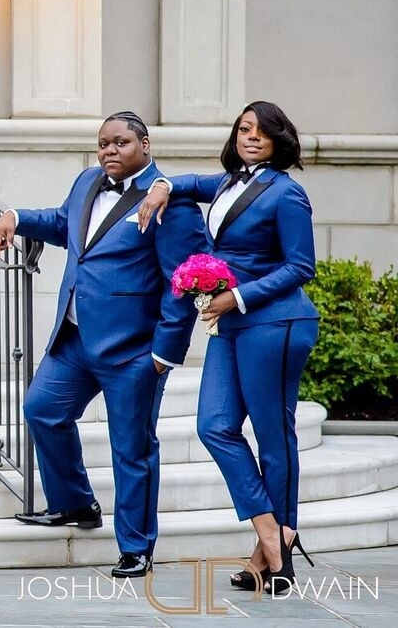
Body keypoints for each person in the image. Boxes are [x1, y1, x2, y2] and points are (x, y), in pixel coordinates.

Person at [0, 111, 209, 579]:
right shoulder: (88, 181)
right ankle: (74, 504)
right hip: (74, 339)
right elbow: (65, 226)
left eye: (121, 143)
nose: (109, 151)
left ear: (145, 145)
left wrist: (165, 352)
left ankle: (137, 546)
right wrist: (17, 217)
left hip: (133, 350)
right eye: (103, 143)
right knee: (42, 409)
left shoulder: (171, 202)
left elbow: (182, 282)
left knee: (131, 448)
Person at [138, 102, 319, 593]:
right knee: (214, 425)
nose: (251, 137)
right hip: (231, 323)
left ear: (280, 140)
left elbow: (302, 267)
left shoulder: (286, 194)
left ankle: (271, 556)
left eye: (262, 132)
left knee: (273, 433)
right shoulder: (226, 182)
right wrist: (161, 185)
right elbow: (191, 182)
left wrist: (235, 295)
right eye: (244, 129)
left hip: (275, 322)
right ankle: (274, 532)